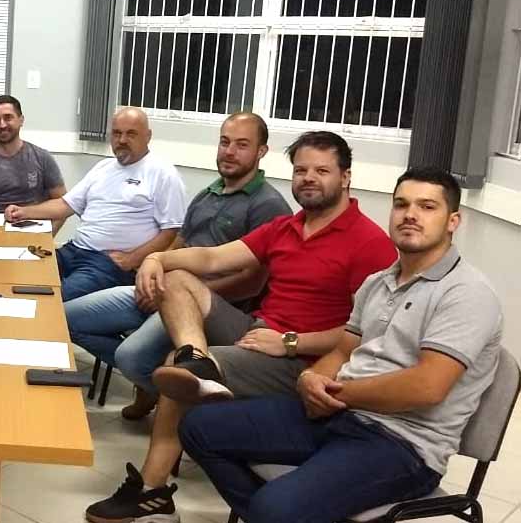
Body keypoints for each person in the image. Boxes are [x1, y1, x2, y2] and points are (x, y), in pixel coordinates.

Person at [85, 131, 398, 523]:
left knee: (177, 371)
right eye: (301, 170)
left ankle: (152, 493)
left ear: (345, 177)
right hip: (258, 333)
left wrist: (289, 342)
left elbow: (366, 334)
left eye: (321, 171)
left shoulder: (370, 243)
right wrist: (157, 260)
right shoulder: (286, 227)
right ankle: (197, 358)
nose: (308, 178)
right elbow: (213, 259)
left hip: (304, 360)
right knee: (179, 281)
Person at [180, 167, 502, 523]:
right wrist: (310, 379)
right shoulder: (377, 283)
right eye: (401, 204)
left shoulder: (466, 293)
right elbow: (342, 351)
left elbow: (427, 387)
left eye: (427, 207)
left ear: (453, 221)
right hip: (337, 415)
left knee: (275, 508)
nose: (410, 214)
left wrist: (339, 393)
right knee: (199, 427)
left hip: (402, 445)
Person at [65, 112, 291, 420]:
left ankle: (172, 390)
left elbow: (253, 283)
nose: (229, 151)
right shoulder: (208, 193)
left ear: (261, 151)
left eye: (241, 145)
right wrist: (154, 277)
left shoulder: (268, 205)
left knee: (130, 356)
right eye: (224, 142)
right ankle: (152, 381)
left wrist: (179, 293)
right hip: (163, 289)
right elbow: (177, 242)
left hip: (207, 307)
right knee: (65, 318)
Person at [5, 107, 187, 301]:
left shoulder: (163, 173)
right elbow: (65, 205)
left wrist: (132, 259)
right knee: (18, 276)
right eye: (116, 133)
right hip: (73, 250)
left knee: (53, 298)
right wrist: (23, 212)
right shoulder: (104, 167)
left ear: (148, 136)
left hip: (106, 264)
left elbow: (171, 231)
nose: (122, 140)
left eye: (131, 134)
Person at [0, 94, 66, 223]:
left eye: (8, 118)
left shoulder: (42, 158)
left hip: (32, 229)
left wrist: (48, 235)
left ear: (21, 120)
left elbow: (63, 206)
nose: (2, 125)